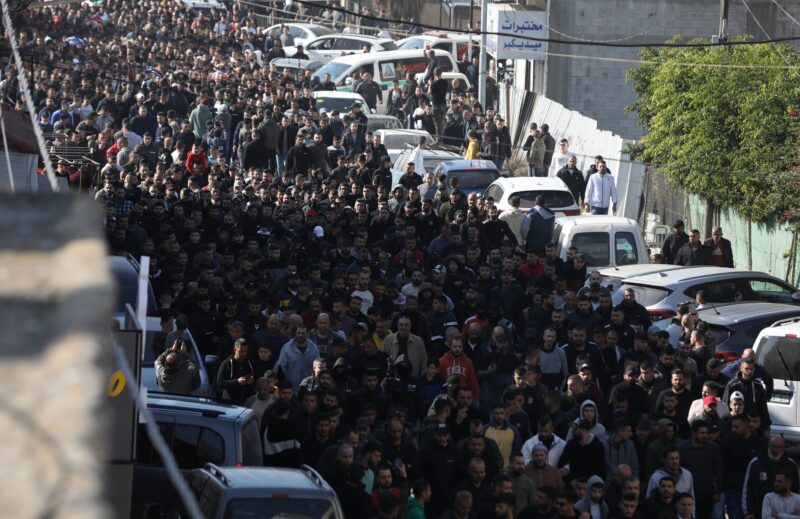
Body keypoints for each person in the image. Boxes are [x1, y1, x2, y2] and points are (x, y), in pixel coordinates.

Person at [743, 435, 800, 519]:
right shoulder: (756, 463)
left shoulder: (791, 465)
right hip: (758, 512)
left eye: (779, 447)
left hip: (785, 513)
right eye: (773, 446)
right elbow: (748, 488)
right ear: (768, 446)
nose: (775, 450)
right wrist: (748, 512)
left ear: (783, 448)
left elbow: (796, 488)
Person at [216, 338, 256, 405]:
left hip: (247, 401)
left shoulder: (250, 362)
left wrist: (252, 381)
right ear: (235, 350)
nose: (244, 354)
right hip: (230, 401)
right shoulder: (226, 363)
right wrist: (236, 381)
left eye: (245, 351)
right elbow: (219, 383)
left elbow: (256, 377)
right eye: (241, 351)